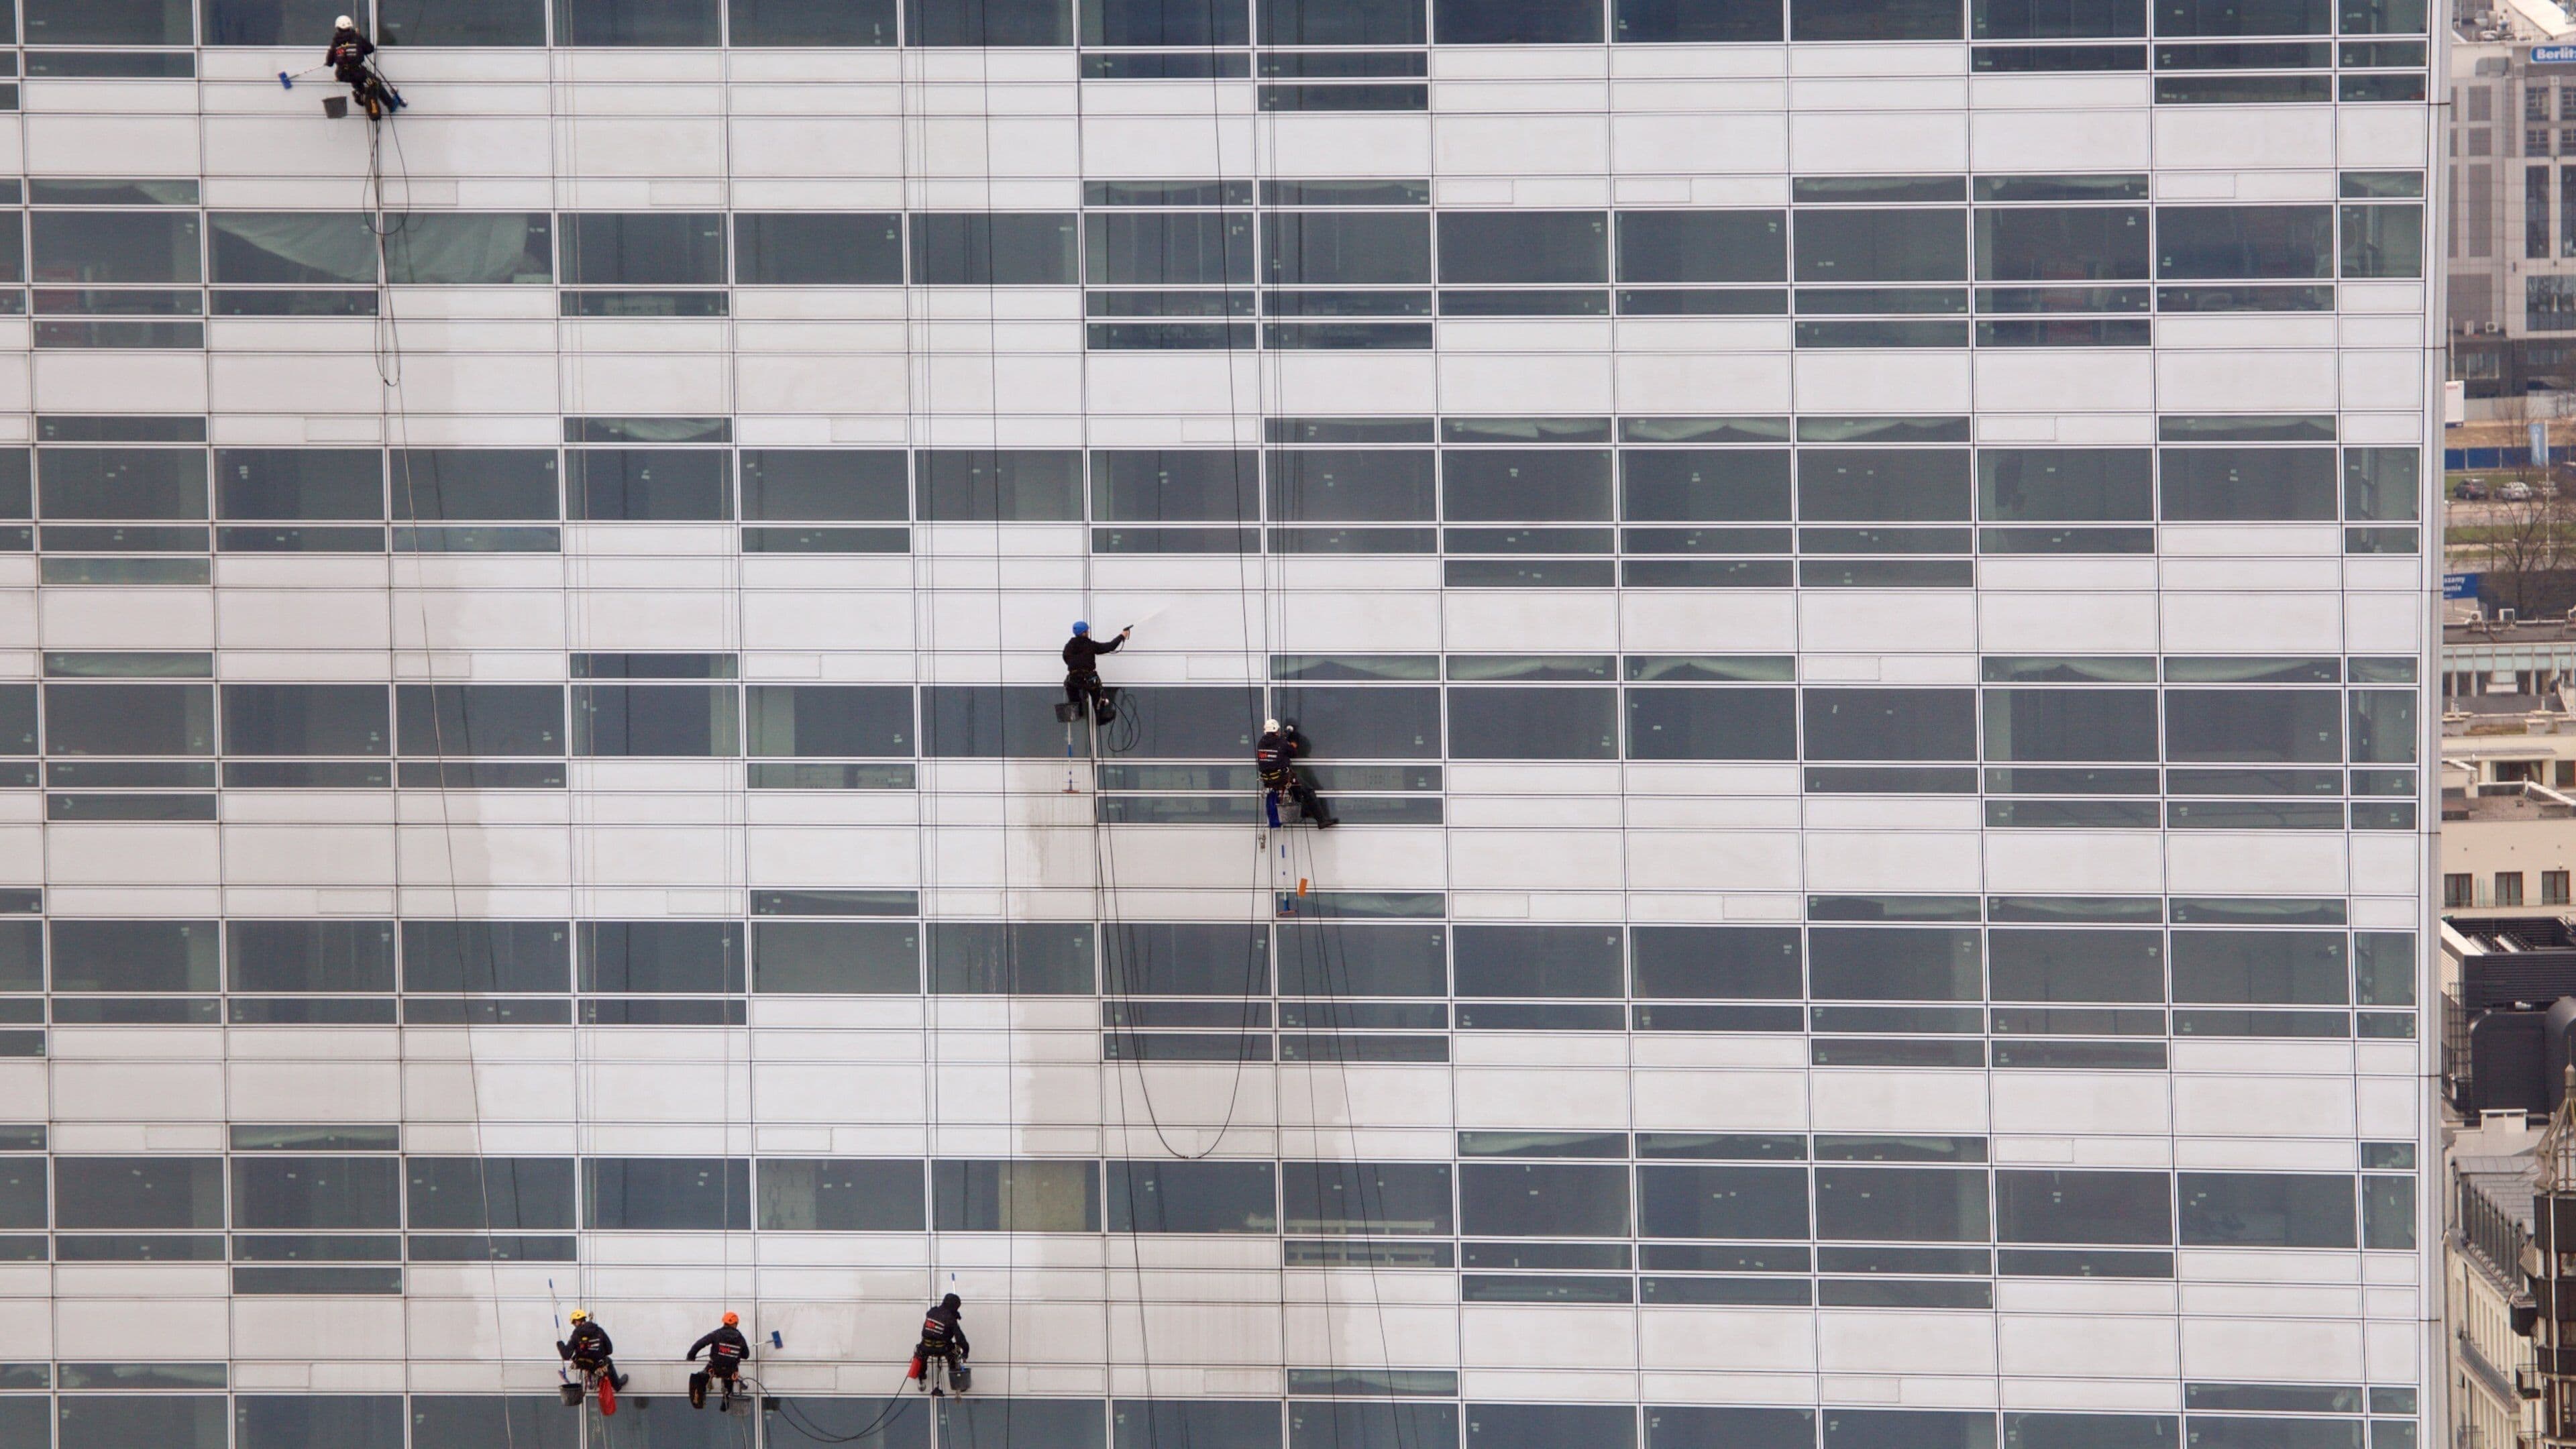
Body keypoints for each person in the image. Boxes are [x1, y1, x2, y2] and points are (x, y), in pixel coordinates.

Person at [1257, 717, 1336, 828]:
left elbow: (1275, 749)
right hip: (1284, 778)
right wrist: (1293, 743)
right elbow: (1293, 753)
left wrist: (1284, 740)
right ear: (1276, 731)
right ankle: (1321, 820)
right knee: (1308, 791)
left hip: (1269, 780)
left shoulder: (1261, 743)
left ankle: (1305, 811)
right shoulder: (1281, 743)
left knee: (1298, 793)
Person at [324, 16, 399, 116]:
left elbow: (329, 63)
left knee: (358, 81)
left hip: (343, 75)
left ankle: (360, 95)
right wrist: (359, 43)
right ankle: (391, 104)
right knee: (376, 83)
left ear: (337, 28)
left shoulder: (335, 43)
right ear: (350, 26)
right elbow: (370, 49)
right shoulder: (357, 38)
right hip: (358, 72)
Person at [1061, 621, 1130, 727]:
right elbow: (1110, 647)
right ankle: (1101, 718)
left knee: (1073, 693)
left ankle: (1078, 711)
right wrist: (1122, 636)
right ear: (1084, 632)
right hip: (1089, 678)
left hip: (1074, 679)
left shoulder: (1069, 646)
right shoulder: (1090, 645)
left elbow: (1066, 658)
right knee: (1097, 695)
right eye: (1087, 631)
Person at [686, 1311, 751, 1411]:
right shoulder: (741, 1339)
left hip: (715, 1369)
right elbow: (746, 1355)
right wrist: (737, 1351)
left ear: (724, 1323)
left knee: (701, 1378)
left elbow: (700, 1344)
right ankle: (726, 1401)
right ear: (735, 1324)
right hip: (730, 1372)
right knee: (729, 1379)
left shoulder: (716, 1334)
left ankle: (698, 1399)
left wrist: (691, 1356)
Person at [910, 1293, 970, 1395]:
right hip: (943, 1348)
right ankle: (956, 1380)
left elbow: (940, 1318)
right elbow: (960, 1339)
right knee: (953, 1354)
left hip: (925, 1347)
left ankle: (921, 1374)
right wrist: (966, 1352)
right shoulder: (951, 1319)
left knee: (921, 1353)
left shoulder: (932, 1312)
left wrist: (954, 1315)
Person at [559, 1307, 628, 1391]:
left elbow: (566, 1355)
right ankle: (618, 1386)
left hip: (583, 1364)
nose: (574, 1325)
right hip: (598, 1364)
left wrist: (560, 1345)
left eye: (574, 1323)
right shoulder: (599, 1331)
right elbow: (610, 1350)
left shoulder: (575, 1335)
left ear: (577, 1322)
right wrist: (599, 1353)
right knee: (608, 1362)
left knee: (589, 1363)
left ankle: (593, 1379)